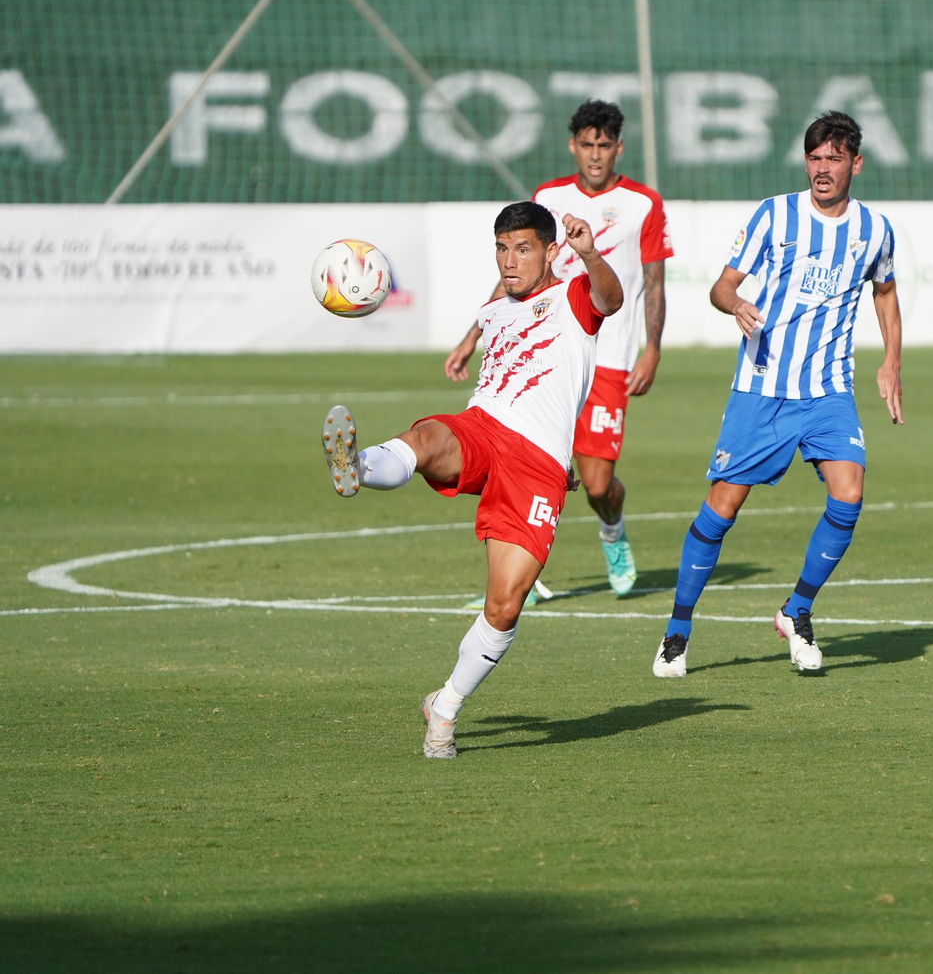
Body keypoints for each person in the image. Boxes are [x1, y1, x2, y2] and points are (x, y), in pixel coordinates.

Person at [323, 202, 622, 758]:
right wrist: (466, 341)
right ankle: (356, 466)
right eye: (502, 249)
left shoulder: (574, 297)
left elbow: (611, 299)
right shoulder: (493, 311)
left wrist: (590, 254)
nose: (510, 261)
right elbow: (495, 338)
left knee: (505, 605)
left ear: (551, 251)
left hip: (537, 464)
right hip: (482, 428)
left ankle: (444, 707)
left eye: (523, 249)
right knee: (428, 439)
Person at [650, 110, 903, 678]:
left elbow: (884, 291)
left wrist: (892, 360)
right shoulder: (774, 215)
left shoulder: (875, 230)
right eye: (814, 158)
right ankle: (677, 630)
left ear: (856, 164)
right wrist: (735, 304)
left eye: (834, 158)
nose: (822, 168)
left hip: (828, 389)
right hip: (762, 387)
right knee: (723, 506)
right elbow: (722, 286)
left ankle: (797, 610)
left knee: (849, 493)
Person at [446, 100, 670, 597]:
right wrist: (472, 335)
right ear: (573, 146)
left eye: (604, 145)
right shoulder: (548, 197)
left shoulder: (643, 204)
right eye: (587, 144)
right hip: (545, 353)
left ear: (618, 148)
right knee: (508, 457)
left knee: (597, 484)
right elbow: (517, 274)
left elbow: (654, 283)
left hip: (608, 356)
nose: (595, 155)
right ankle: (518, 571)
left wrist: (652, 349)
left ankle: (612, 530)